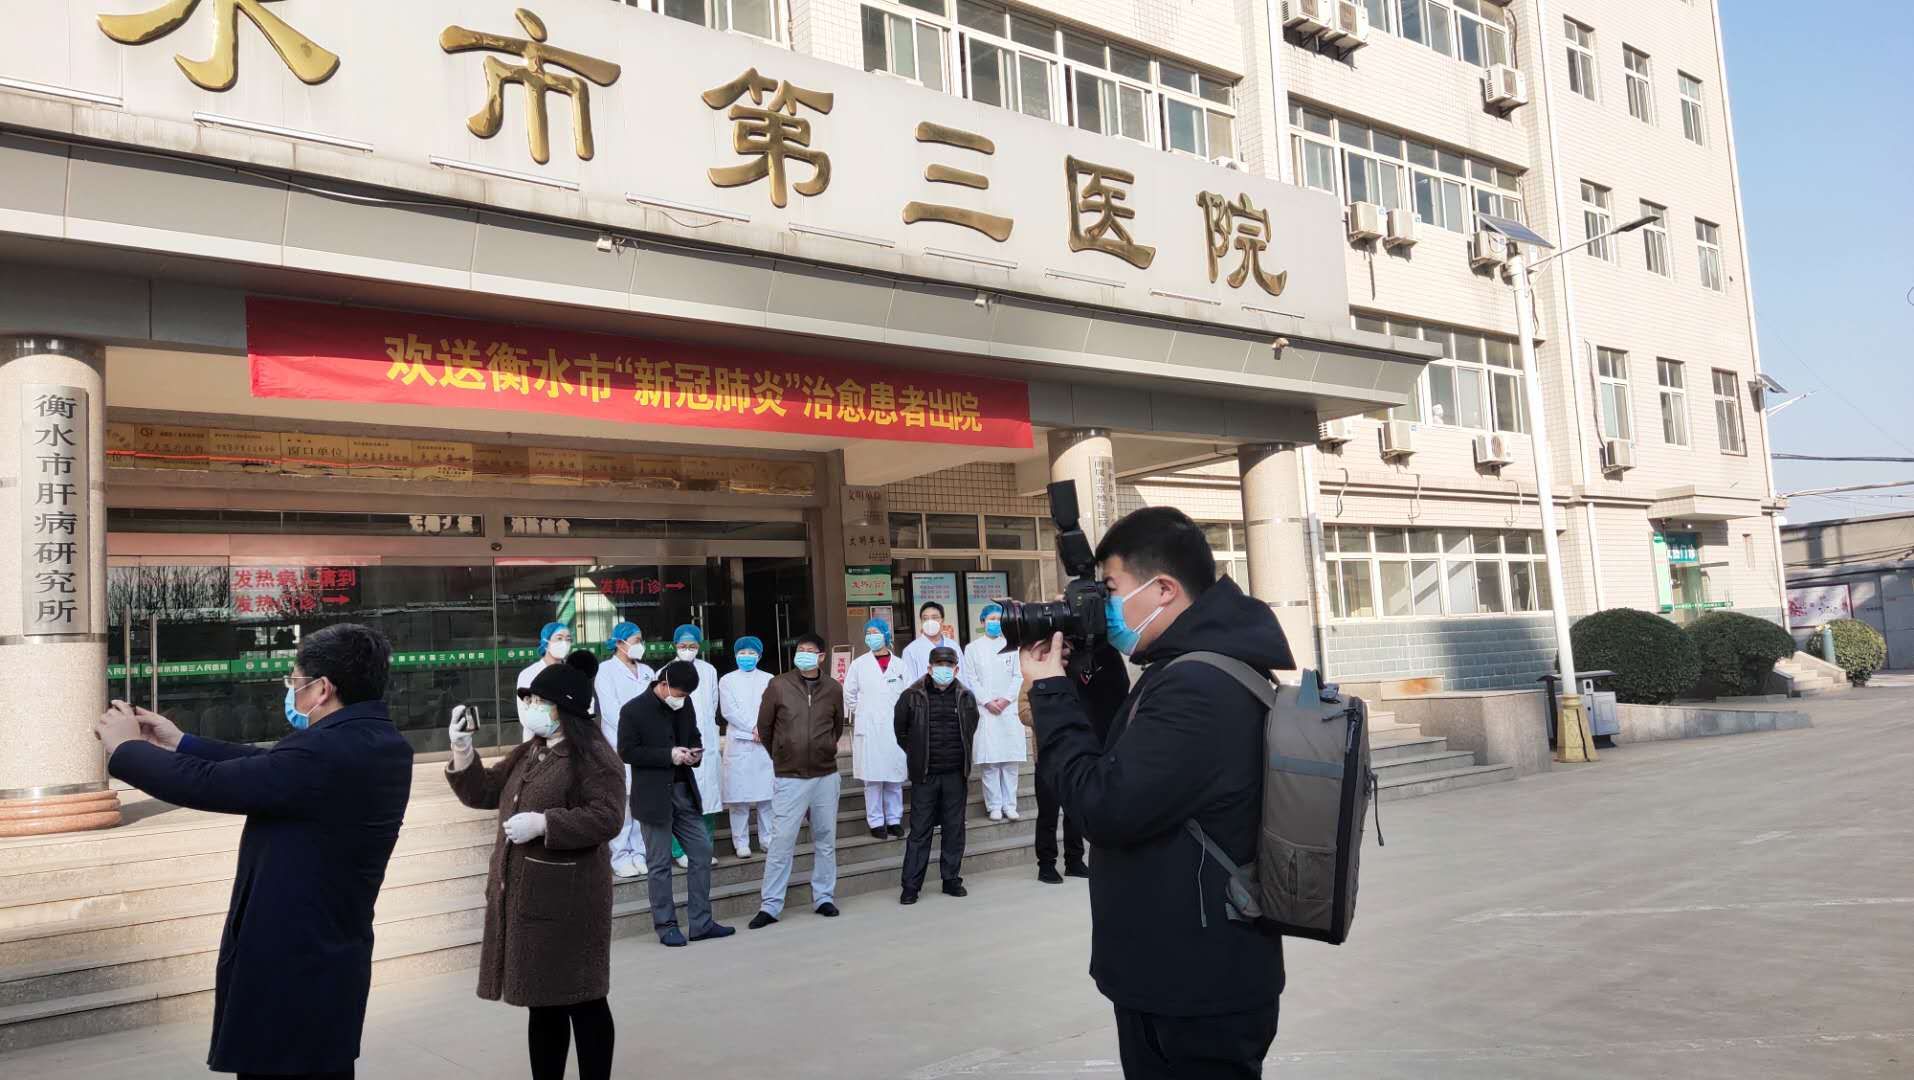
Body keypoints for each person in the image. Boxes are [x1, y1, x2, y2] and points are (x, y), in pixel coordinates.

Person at [1022, 506, 1293, 1079]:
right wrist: (1080, 677)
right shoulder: (1188, 670)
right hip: (1184, 971)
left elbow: (1103, 806)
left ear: (1163, 589)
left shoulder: (1197, 686)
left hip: (1195, 989)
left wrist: (1048, 696)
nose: (1103, 607)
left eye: (1111, 589)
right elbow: (1120, 756)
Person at [95, 623, 413, 1080]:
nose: (291, 691)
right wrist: (179, 741)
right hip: (328, 955)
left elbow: (211, 784)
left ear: (322, 689)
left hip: (291, 966)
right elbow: (268, 764)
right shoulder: (374, 742)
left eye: (294, 681)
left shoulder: (327, 752)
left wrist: (125, 748)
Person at [447, 649, 625, 1080]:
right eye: (528, 700)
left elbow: (607, 817)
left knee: (584, 999)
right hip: (530, 901)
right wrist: (462, 749)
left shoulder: (594, 756)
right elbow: (485, 791)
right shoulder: (530, 751)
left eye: (539, 701)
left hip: (572, 901)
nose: (530, 707)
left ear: (565, 708)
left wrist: (547, 823)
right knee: (542, 1002)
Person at [619, 660, 736, 947]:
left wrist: (695, 753)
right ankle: (666, 925)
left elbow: (693, 734)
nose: (681, 699)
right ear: (664, 684)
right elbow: (627, 751)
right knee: (659, 863)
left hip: (683, 790)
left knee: (702, 851)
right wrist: (668, 755)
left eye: (686, 695)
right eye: (680, 694)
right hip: (653, 796)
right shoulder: (633, 710)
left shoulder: (685, 705)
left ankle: (701, 922)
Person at [750, 633, 847, 928]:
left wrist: (823, 748)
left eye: (810, 650)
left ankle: (824, 897)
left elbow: (836, 727)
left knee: (826, 839)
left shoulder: (833, 688)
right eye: (800, 650)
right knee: (781, 842)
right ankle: (770, 905)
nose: (804, 654)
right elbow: (765, 727)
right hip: (790, 777)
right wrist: (782, 755)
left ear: (821, 657)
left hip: (825, 774)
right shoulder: (778, 685)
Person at [1028, 639, 1130, 884]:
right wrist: (1054, 711)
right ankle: (1046, 863)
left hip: (1081, 746)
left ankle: (1074, 860)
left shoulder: (1091, 663)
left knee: (1074, 811)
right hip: (1049, 751)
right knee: (1048, 813)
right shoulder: (1043, 667)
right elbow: (1024, 708)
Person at [893, 646, 980, 904]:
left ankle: (951, 879)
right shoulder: (912, 696)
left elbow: (971, 728)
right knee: (920, 830)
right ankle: (911, 885)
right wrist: (917, 753)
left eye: (948, 665)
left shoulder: (966, 696)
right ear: (930, 668)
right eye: (939, 665)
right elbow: (901, 732)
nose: (944, 669)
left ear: (956, 669)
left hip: (955, 773)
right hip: (925, 774)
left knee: (954, 829)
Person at [593, 621, 654, 879]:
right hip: (620, 745)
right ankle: (619, 856)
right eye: (636, 640)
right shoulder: (605, 671)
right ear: (620, 643)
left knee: (641, 801)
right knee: (623, 803)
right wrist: (637, 732)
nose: (640, 645)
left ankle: (640, 853)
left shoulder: (648, 671)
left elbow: (655, 705)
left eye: (641, 640)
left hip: (647, 746)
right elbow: (610, 712)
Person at [845, 616, 911, 839]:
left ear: (885, 635)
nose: (871, 637)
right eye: (868, 633)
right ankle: (875, 822)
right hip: (870, 728)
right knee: (872, 779)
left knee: (894, 778)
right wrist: (863, 711)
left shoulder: (900, 665)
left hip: (894, 728)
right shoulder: (858, 664)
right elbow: (849, 694)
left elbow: (909, 694)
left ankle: (894, 820)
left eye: (875, 632)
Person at [964, 603, 1025, 821]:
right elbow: (971, 678)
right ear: (982, 622)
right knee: (990, 762)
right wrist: (987, 701)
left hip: (1009, 709)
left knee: (1010, 761)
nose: (995, 623)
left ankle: (1010, 804)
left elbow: (1019, 676)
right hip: (985, 710)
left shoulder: (1013, 647)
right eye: (990, 619)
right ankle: (994, 805)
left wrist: (1006, 699)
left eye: (999, 619)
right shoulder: (972, 649)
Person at [718, 635, 776, 858]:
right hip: (739, 742)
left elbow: (773, 707)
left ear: (759, 656)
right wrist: (754, 726)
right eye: (742, 653)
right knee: (739, 800)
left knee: (766, 798)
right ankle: (740, 842)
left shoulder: (769, 679)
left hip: (763, 743)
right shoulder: (727, 680)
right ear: (735, 655)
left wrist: (763, 727)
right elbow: (729, 710)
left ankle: (767, 839)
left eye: (751, 653)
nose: (747, 656)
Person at [670, 624, 724, 837]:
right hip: (679, 741)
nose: (687, 649)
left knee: (707, 798)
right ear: (675, 645)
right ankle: (680, 849)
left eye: (692, 646)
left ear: (699, 646)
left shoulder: (709, 670)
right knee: (681, 799)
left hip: (705, 741)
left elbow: (713, 703)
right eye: (683, 645)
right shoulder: (665, 671)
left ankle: (705, 846)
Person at [517, 622, 573, 742]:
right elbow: (526, 717)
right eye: (559, 638)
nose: (564, 643)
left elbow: (587, 708)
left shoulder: (574, 674)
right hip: (537, 743)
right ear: (546, 642)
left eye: (568, 639)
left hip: (570, 741)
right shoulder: (528, 674)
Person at [900, 600, 963, 683]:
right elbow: (909, 683)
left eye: (934, 617)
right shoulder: (910, 650)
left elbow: (963, 676)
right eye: (925, 618)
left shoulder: (954, 646)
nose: (930, 622)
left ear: (942, 620)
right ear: (921, 622)